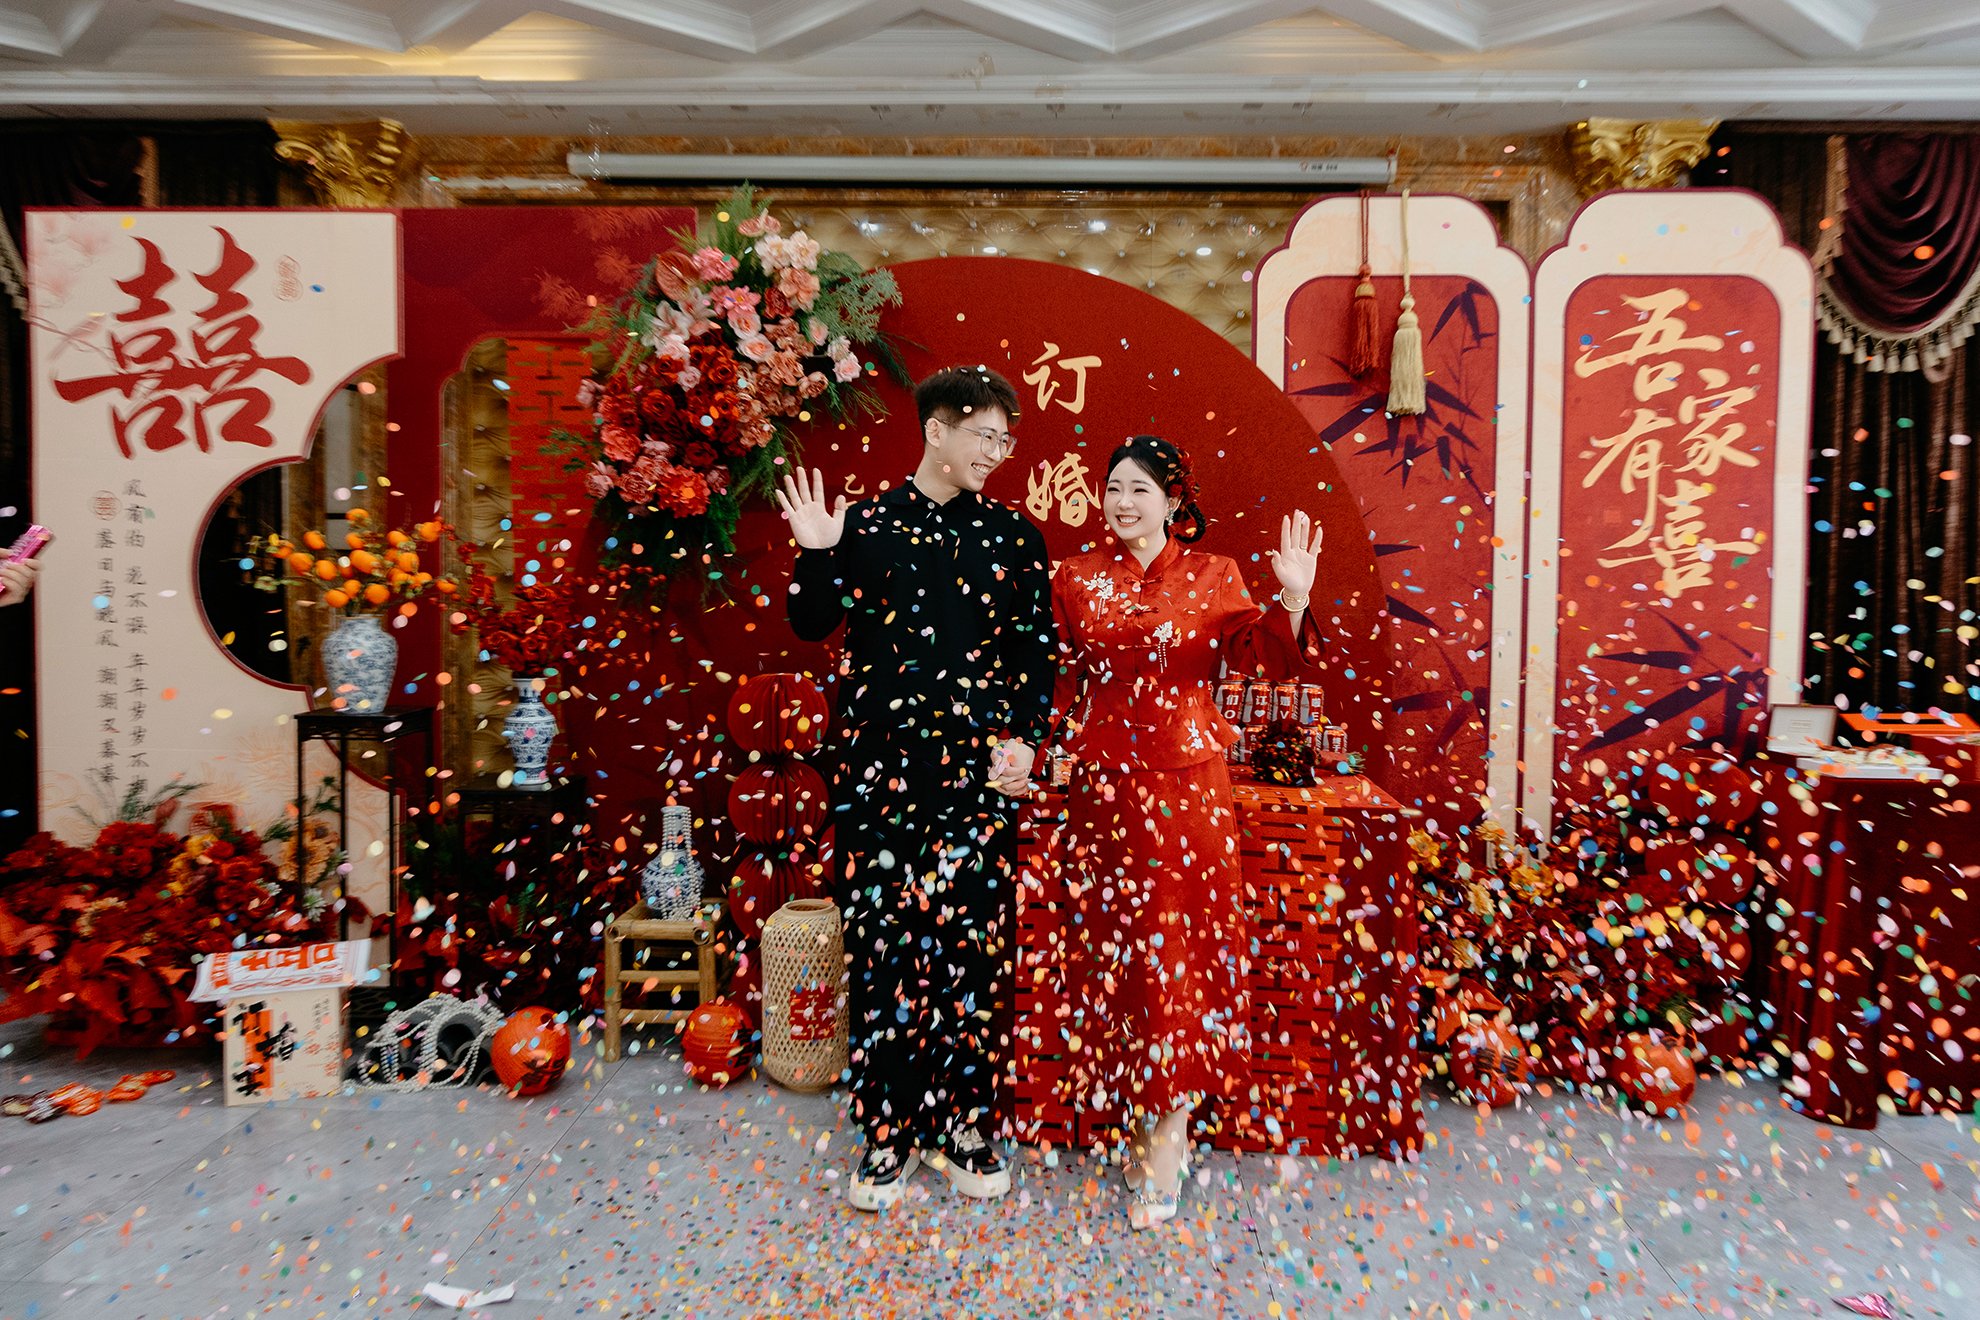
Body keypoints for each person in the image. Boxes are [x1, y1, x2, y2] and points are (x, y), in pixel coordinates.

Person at [778, 366, 1057, 1212]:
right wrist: (817, 551)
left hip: (977, 777)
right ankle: (887, 1133)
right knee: (885, 953)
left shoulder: (1015, 537)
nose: (996, 453)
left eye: (1005, 440)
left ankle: (965, 1127)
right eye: (983, 435)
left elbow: (1034, 655)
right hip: (880, 777)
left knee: (973, 951)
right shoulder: (862, 526)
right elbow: (810, 622)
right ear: (937, 430)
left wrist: (1024, 741)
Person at [1048, 434, 1321, 1230]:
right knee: (1119, 949)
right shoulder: (1074, 577)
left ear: (1173, 501)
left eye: (1140, 489)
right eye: (1113, 488)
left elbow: (1269, 661)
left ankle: (1169, 1127)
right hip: (1102, 793)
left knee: (1180, 954)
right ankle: (1141, 1102)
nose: (1123, 502)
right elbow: (1054, 676)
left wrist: (1293, 600)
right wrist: (1027, 744)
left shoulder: (1214, 575)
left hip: (1187, 790)